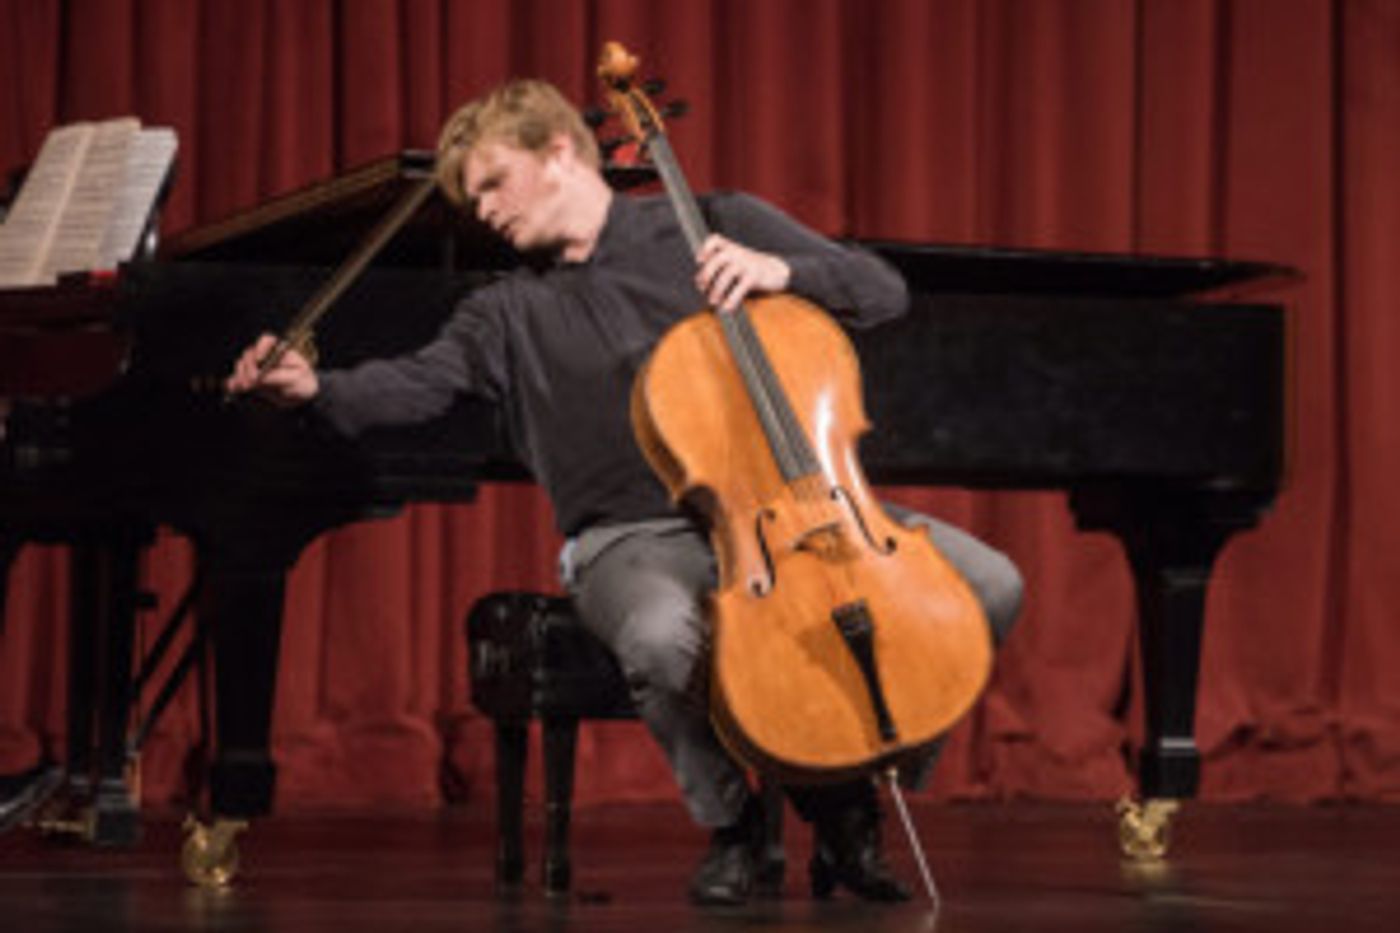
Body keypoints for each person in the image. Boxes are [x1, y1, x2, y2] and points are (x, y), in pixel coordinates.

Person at [227, 79, 1022, 906]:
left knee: (989, 583)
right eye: (471, 197)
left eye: (493, 181)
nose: (482, 209)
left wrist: (779, 268)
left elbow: (882, 290)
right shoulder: (505, 309)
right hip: (631, 537)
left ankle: (848, 795)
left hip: (797, 509)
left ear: (561, 151)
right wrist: (315, 390)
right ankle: (738, 827)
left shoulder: (715, 223)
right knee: (658, 632)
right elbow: (416, 385)